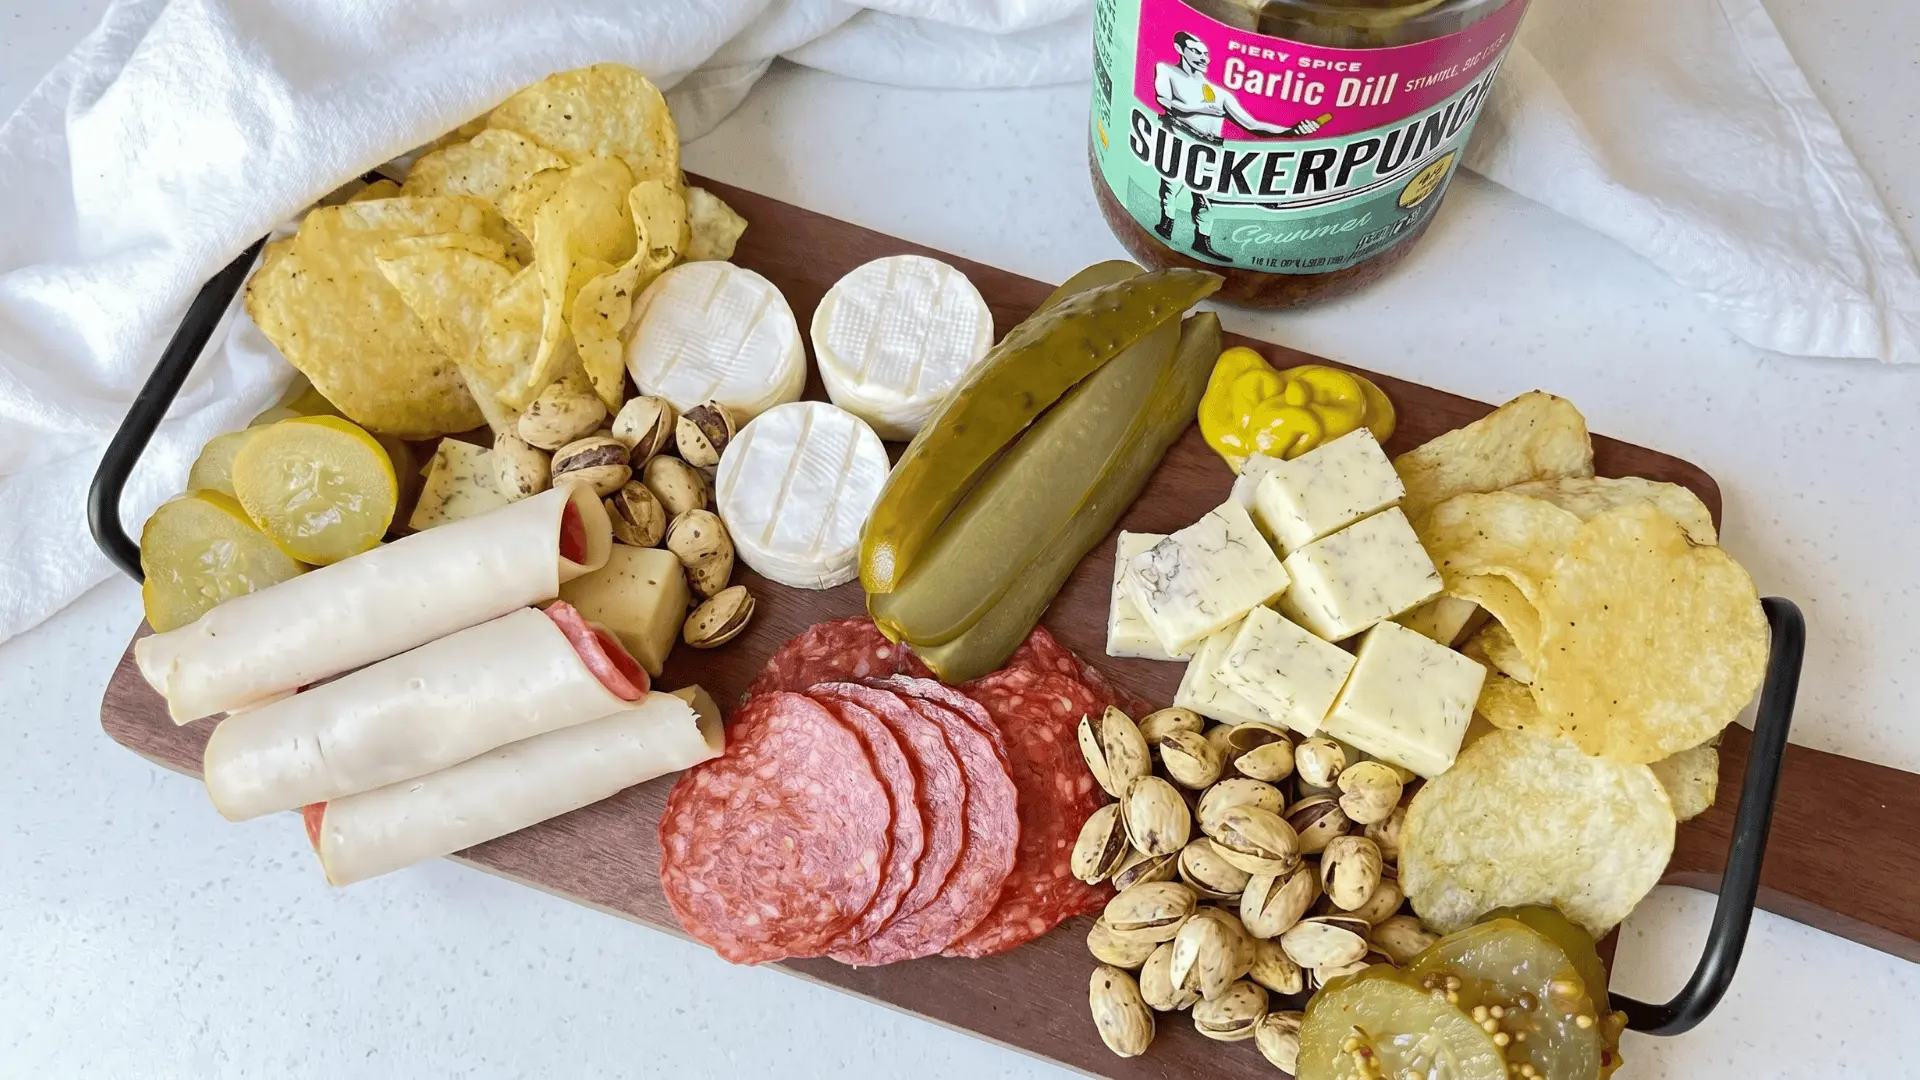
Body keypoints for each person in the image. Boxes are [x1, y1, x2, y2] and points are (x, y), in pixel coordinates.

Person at [1153, 31, 1323, 260]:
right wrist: (1200, 109)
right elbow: (1163, 100)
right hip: (1178, 135)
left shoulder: (1221, 95)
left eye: (1205, 53)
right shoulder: (1167, 71)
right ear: (1179, 49)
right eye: (1195, 51)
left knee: (1207, 202)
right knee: (1171, 187)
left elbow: (1253, 125)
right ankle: (1166, 225)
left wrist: (1291, 130)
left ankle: (1202, 242)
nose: (1203, 57)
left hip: (1210, 148)